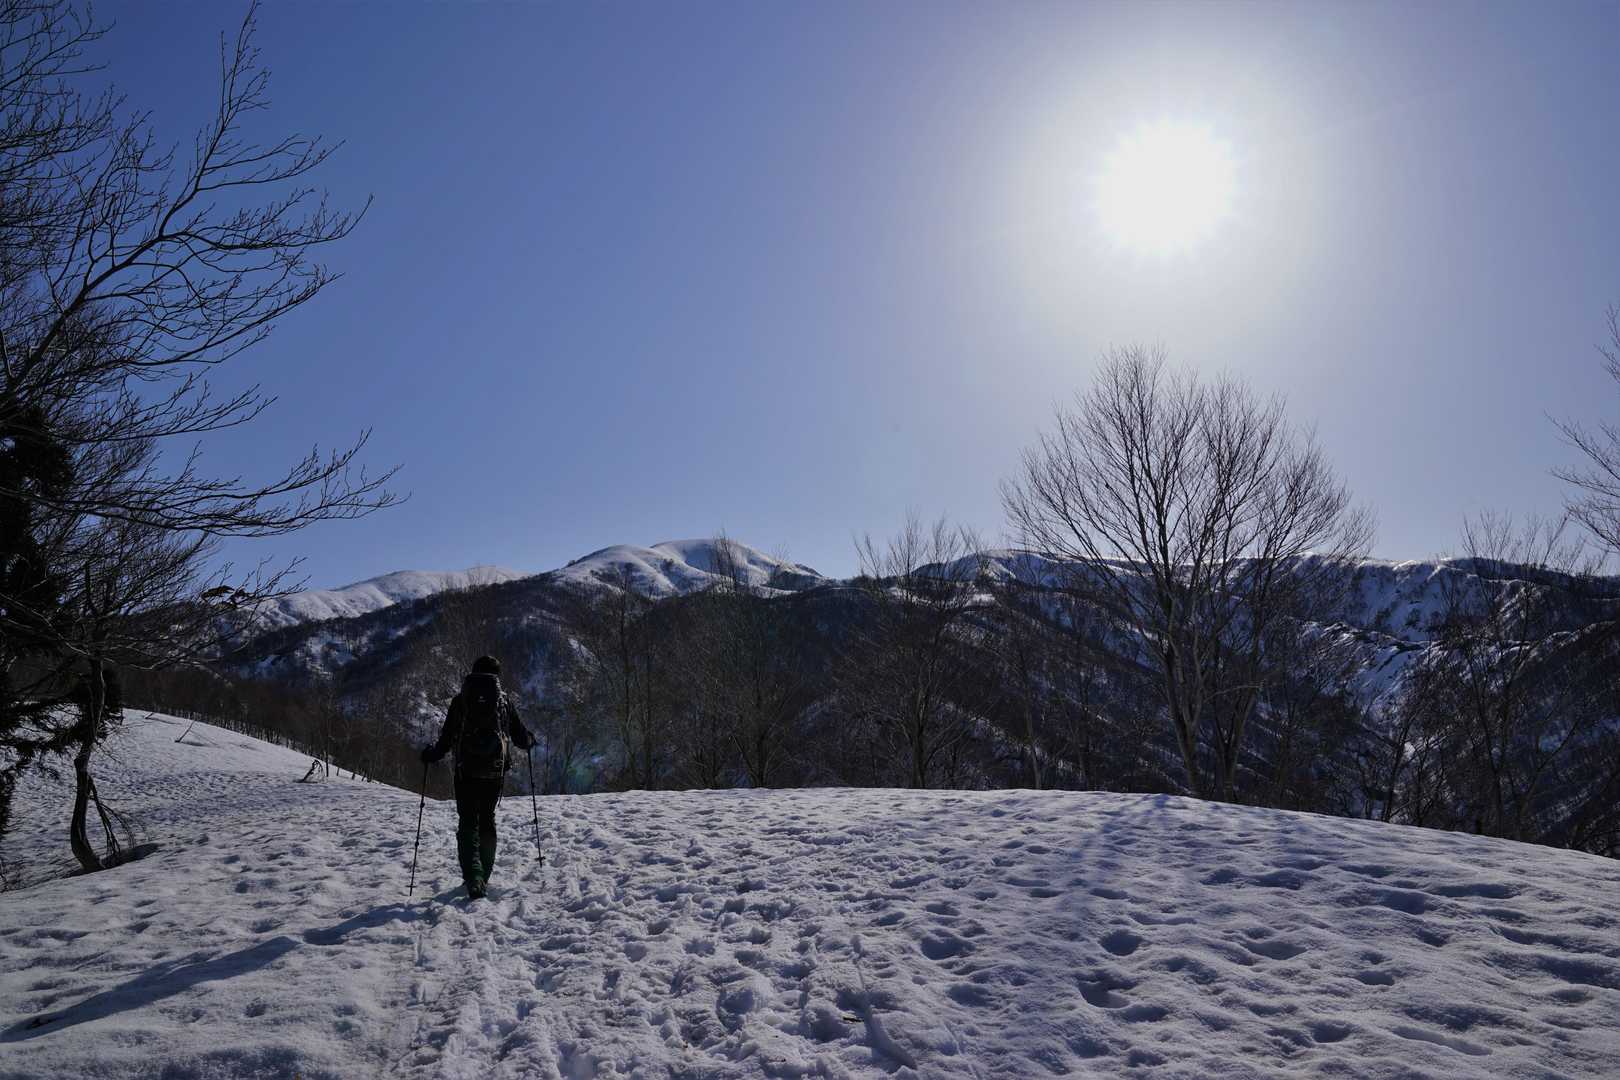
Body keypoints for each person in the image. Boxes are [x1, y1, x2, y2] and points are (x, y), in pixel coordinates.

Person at [421, 654, 534, 899]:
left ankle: (473, 877)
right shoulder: (503, 701)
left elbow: (446, 739)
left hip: (466, 771)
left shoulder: (460, 701)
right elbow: (520, 737)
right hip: (494, 773)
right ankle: (485, 874)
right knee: (487, 820)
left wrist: (431, 754)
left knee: (468, 822)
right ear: (497, 676)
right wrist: (530, 740)